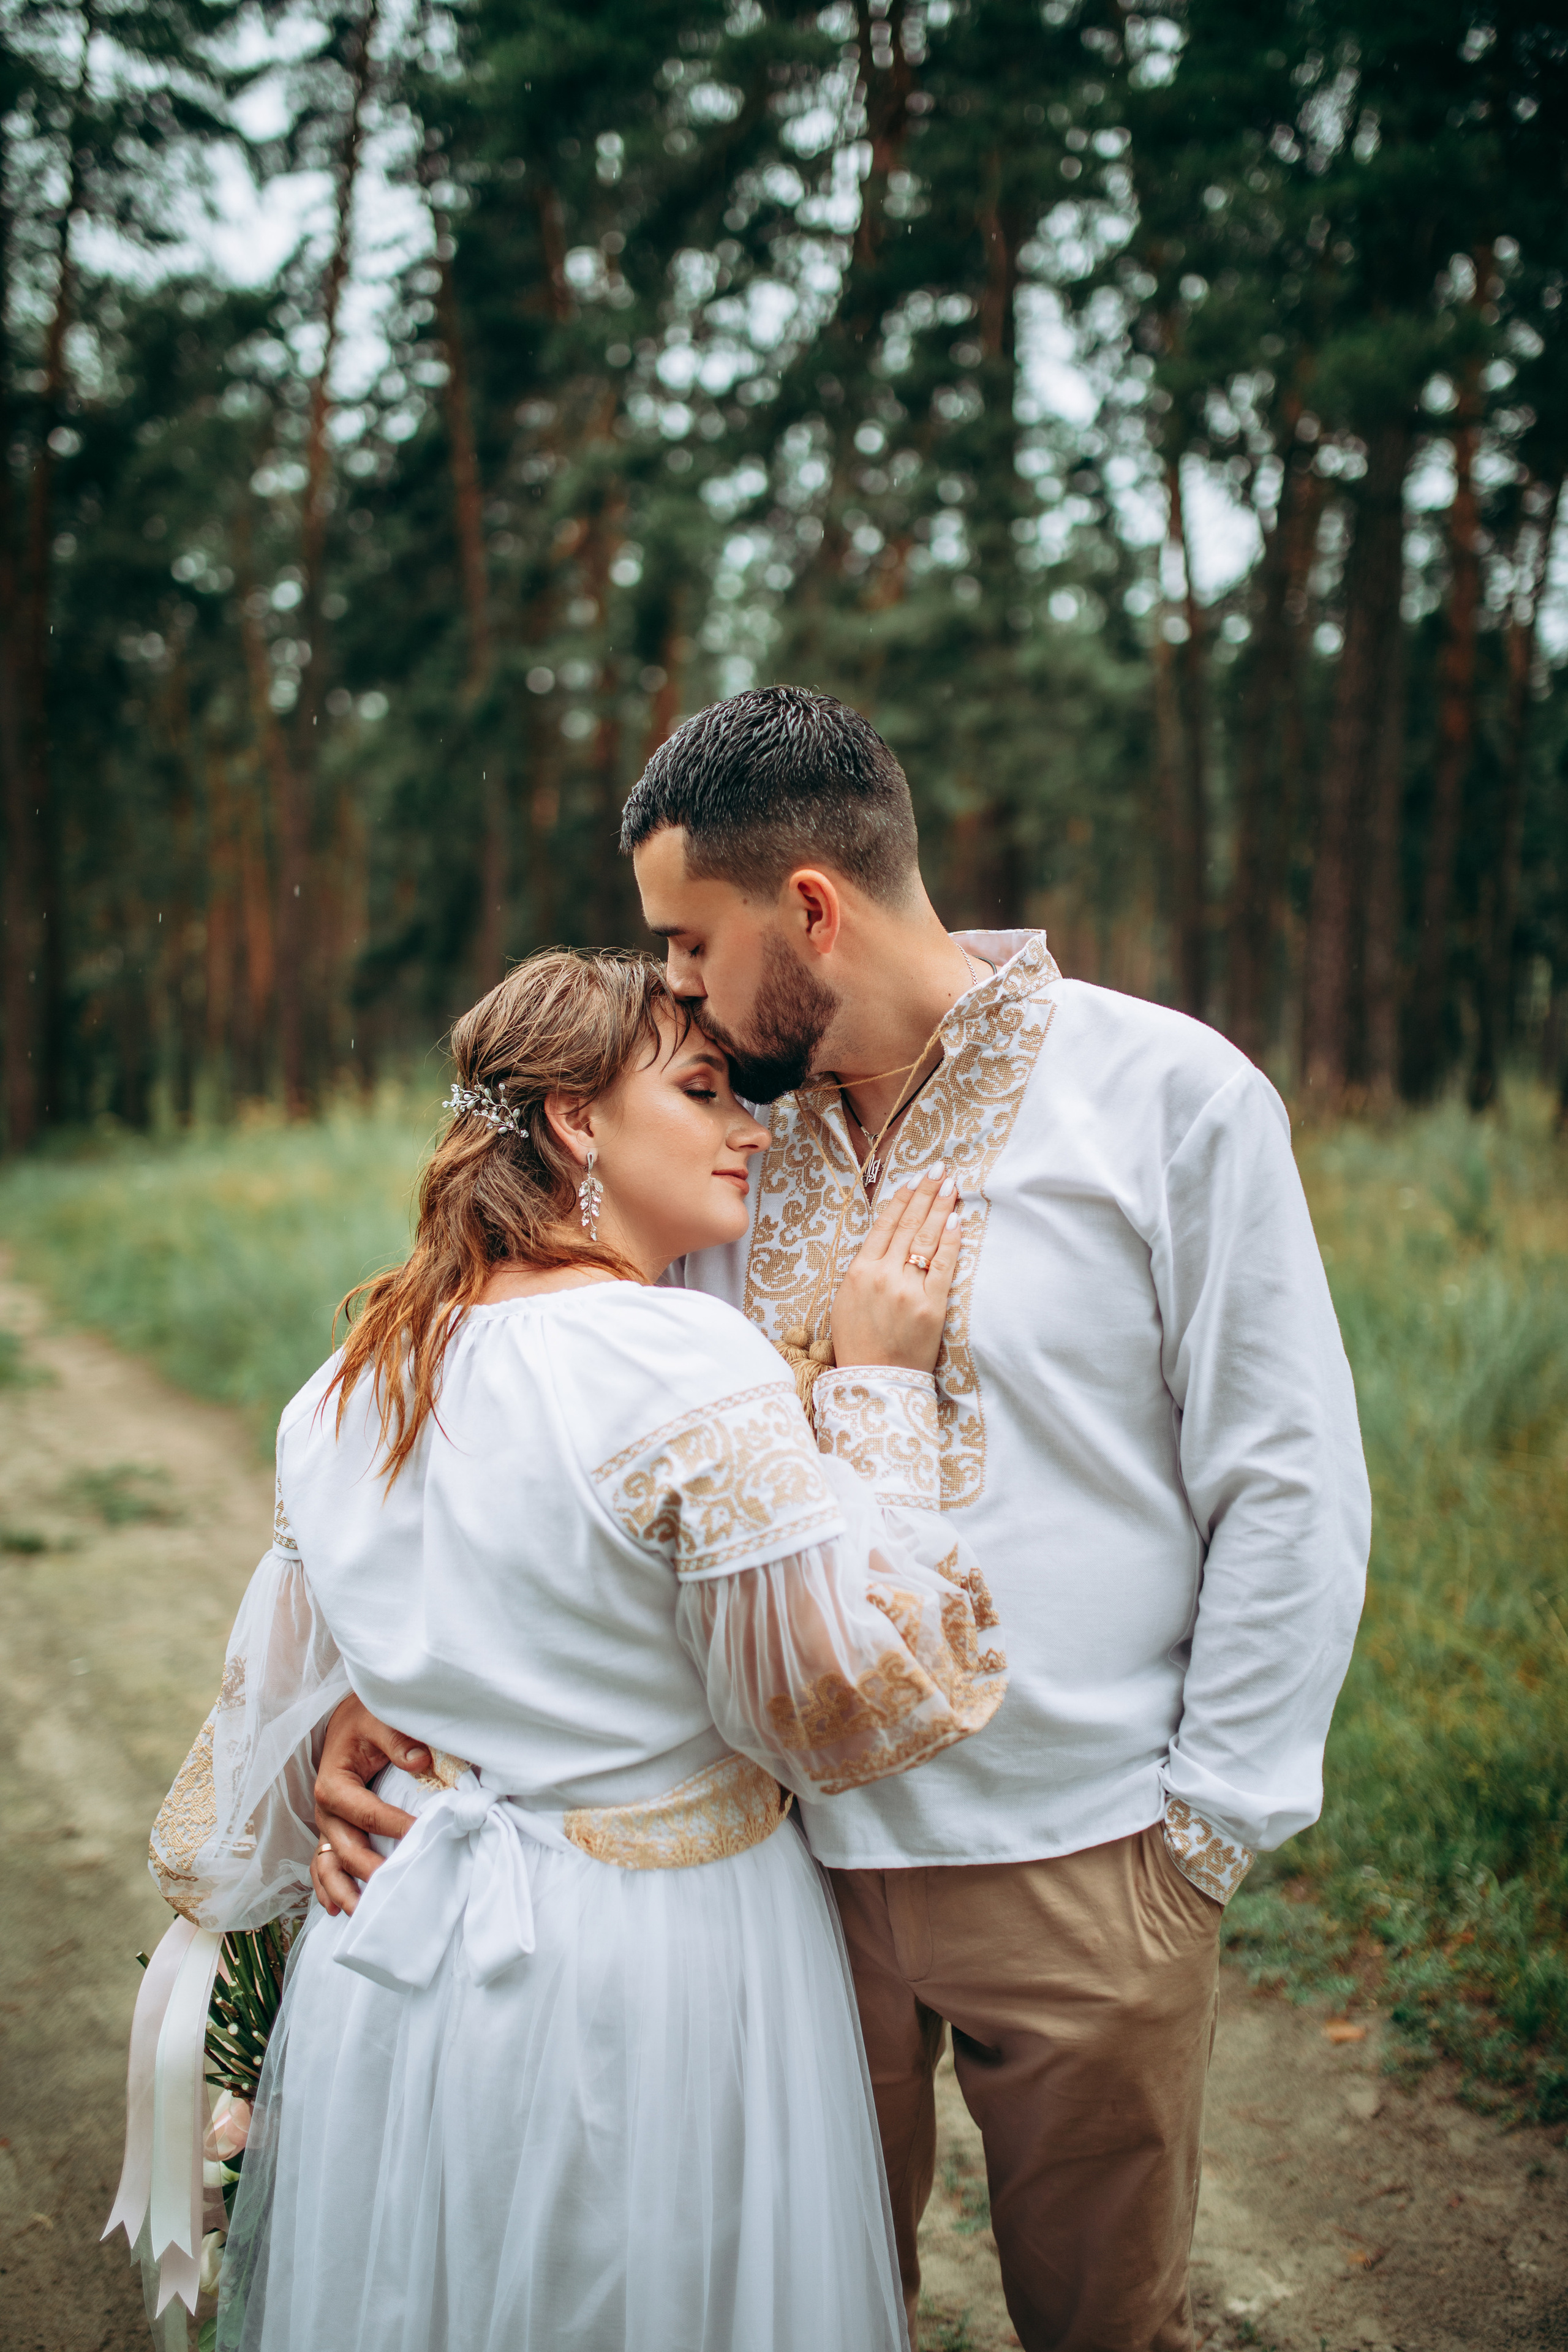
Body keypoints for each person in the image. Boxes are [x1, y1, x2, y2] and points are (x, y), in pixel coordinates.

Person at [319, 687, 1370, 2352]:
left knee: (1106, 2330)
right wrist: (378, 1690)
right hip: (778, 1875)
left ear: (810, 908)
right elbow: (551, 1417)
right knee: (794, 2315)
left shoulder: (1172, 1098)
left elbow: (1287, 1476)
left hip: (1084, 1862)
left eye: (688, 943)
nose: (673, 986)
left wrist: (1207, 1833)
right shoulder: (720, 1141)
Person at [111, 947, 1008, 2352]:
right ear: (577, 1120)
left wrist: (366, 1735)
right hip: (654, 1954)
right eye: (702, 1091)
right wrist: (880, 1389)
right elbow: (841, 1700)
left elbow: (285, 1717)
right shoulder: (679, 1358)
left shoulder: (343, 1386)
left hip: (392, 1963)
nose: (751, 1127)